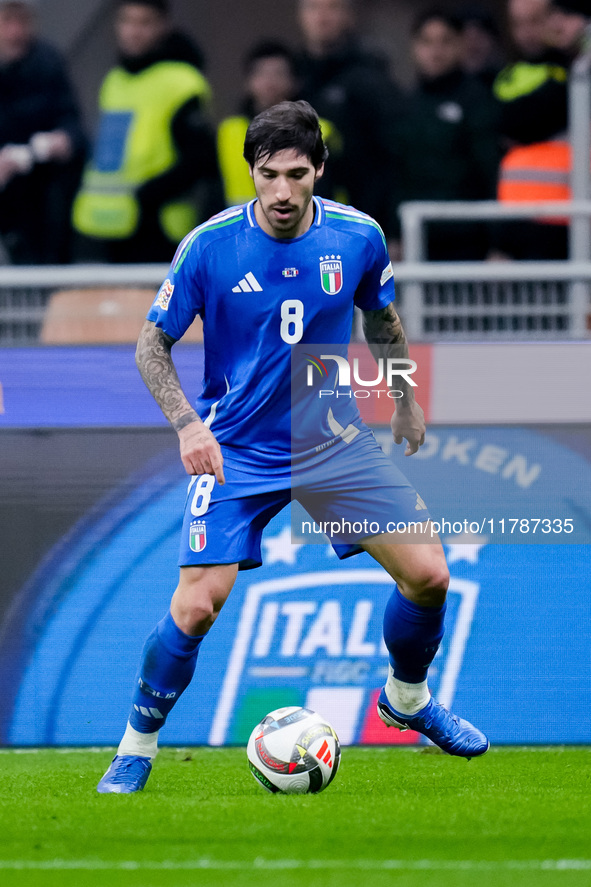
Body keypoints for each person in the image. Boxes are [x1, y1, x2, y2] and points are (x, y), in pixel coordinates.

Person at [96, 100, 489, 793]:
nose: (281, 192)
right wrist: (189, 424)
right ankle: (136, 746)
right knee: (195, 607)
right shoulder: (209, 245)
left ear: (320, 170)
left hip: (330, 440)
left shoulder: (358, 236)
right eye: (268, 174)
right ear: (250, 170)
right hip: (236, 446)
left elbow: (381, 317)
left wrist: (404, 397)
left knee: (428, 572)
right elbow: (150, 344)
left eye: (297, 174)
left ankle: (406, 699)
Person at [72, 0, 220, 263]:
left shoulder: (181, 81)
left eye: (144, 23)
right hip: (106, 224)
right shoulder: (115, 80)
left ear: (164, 27)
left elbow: (201, 158)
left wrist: (147, 196)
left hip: (158, 227)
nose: (133, 31)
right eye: (127, 21)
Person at [390, 8, 500, 260]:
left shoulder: (478, 100)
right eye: (427, 42)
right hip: (417, 241)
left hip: (470, 243)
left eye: (445, 41)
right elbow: (396, 176)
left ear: (461, 45)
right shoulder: (405, 105)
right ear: (414, 48)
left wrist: (498, 243)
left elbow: (491, 172)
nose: (435, 51)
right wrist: (394, 235)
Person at [491, 0, 589, 259]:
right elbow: (507, 123)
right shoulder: (508, 75)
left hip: (573, 220)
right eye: (519, 24)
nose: (527, 33)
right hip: (518, 223)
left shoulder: (577, 71)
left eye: (536, 21)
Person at [295, 0, 401, 237]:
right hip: (295, 223)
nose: (322, 17)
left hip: (356, 221)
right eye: (313, 8)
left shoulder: (370, 80)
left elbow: (390, 162)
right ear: (301, 16)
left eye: (332, 7)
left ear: (348, 16)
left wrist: (390, 228)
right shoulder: (292, 76)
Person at [0, 0, 85, 264]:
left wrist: (64, 140)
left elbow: (73, 124)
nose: (16, 32)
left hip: (42, 201)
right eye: (6, 22)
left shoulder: (48, 62)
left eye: (23, 22)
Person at [217, 40, 339, 207]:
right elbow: (215, 188)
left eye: (279, 74)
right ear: (248, 82)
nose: (270, 82)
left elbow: (329, 187)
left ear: (295, 81)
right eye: (261, 74)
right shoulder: (230, 130)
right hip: (243, 229)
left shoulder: (320, 130)